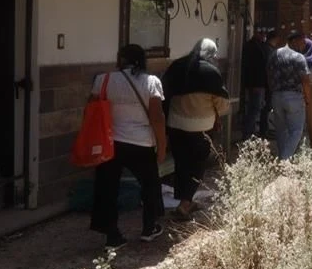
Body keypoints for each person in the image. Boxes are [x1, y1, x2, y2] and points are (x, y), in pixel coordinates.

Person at [89, 44, 167, 249]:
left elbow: (91, 111)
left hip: (110, 143)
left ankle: (112, 236)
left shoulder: (102, 80)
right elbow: (157, 117)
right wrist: (162, 145)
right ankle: (149, 228)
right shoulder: (151, 82)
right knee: (150, 185)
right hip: (141, 142)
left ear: (120, 59)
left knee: (107, 189)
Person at [162, 38, 229, 221]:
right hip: (202, 127)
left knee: (181, 162)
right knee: (198, 164)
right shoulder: (211, 72)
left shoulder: (177, 66)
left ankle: (184, 200)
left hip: (175, 124)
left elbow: (163, 94)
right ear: (211, 54)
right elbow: (221, 104)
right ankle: (185, 203)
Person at [268, 30, 311, 160]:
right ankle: (284, 159)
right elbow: (305, 79)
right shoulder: (298, 57)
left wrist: (272, 92)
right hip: (294, 97)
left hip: (276, 96)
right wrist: (308, 98)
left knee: (280, 130)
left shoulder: (274, 54)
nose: (303, 45)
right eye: (301, 41)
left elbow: (268, 75)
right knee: (296, 131)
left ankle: (283, 157)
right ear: (293, 41)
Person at [240, 28, 271, 141]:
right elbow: (255, 68)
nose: (264, 35)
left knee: (255, 109)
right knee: (254, 110)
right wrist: (257, 85)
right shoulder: (254, 47)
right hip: (256, 84)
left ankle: (250, 133)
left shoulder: (256, 46)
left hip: (256, 84)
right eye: (262, 33)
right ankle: (248, 135)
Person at [259, 29, 281, 137]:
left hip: (266, 82)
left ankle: (265, 128)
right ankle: (263, 131)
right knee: (266, 107)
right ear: (275, 38)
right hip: (268, 83)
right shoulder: (269, 50)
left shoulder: (266, 48)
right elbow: (270, 68)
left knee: (266, 107)